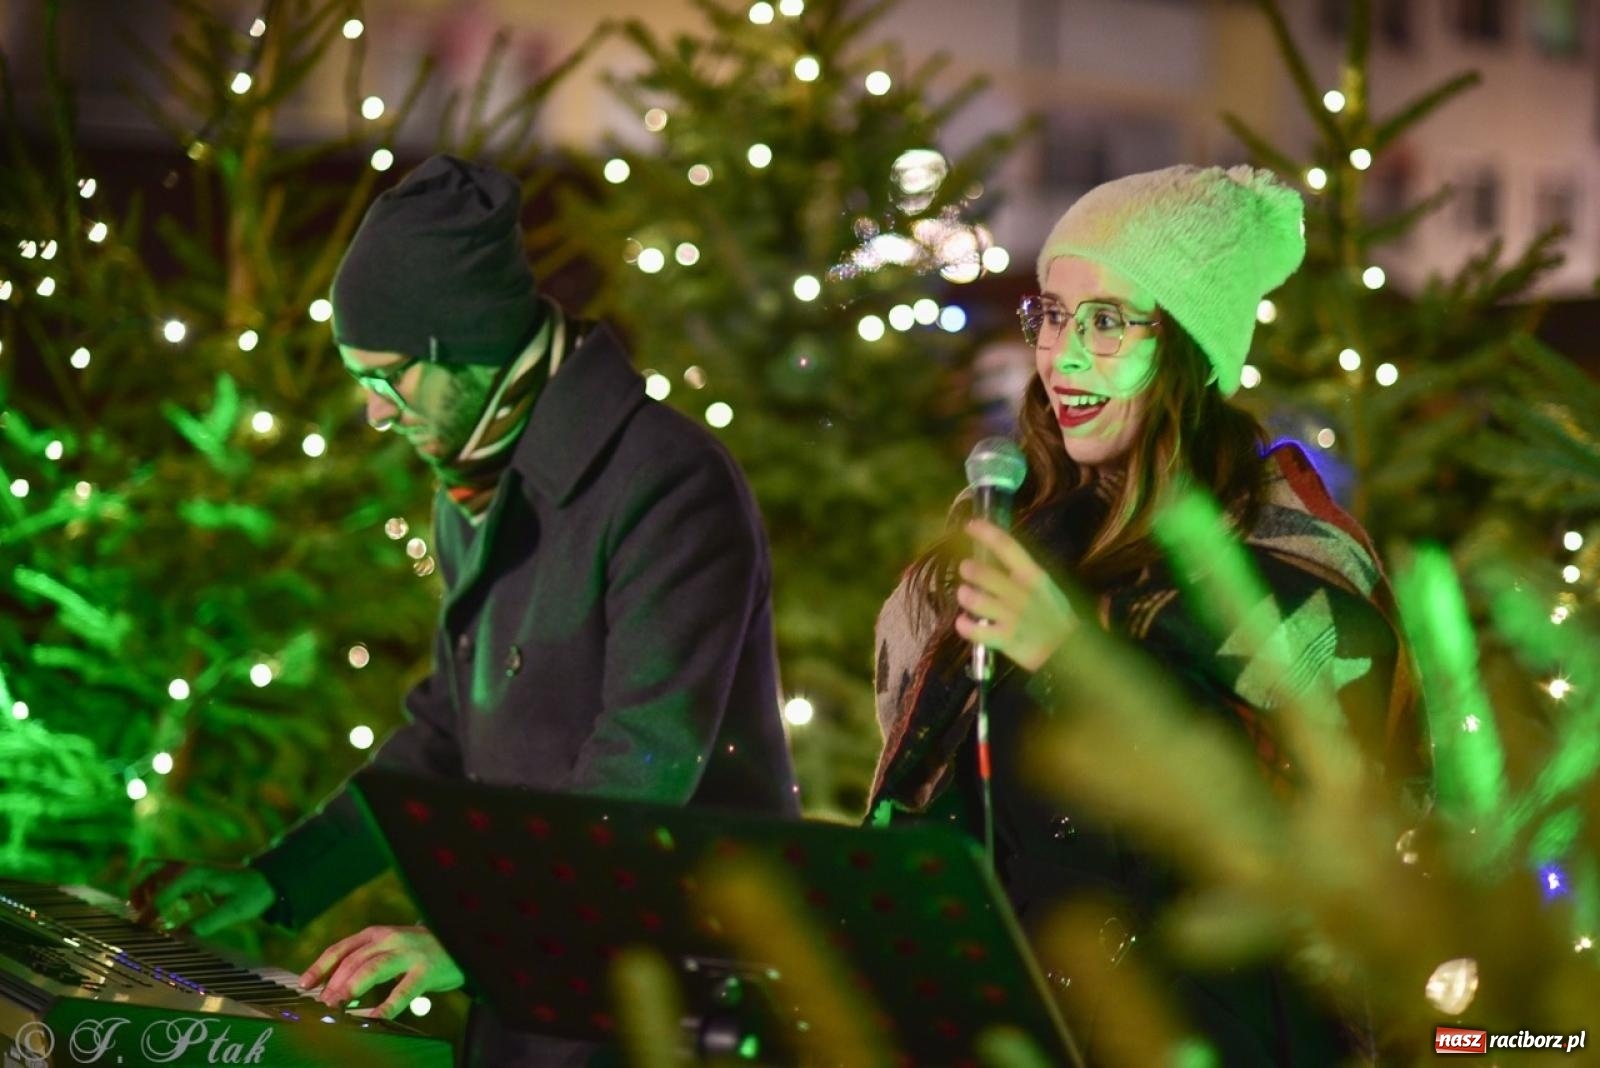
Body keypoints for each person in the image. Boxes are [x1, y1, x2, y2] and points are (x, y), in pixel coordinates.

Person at [133, 154, 799, 1065]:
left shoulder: (667, 484)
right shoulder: (476, 487)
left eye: (388, 379)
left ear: (466, 347)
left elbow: (642, 763)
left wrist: (481, 942)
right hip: (533, 988)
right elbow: (442, 738)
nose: (373, 416)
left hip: (666, 1004)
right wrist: (275, 880)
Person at [867, 165, 1421, 1063]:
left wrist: (1081, 663)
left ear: (1191, 348)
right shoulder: (1023, 547)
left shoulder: (1297, 585)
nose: (1064, 355)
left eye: (1108, 322)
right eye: (1051, 313)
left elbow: (1306, 851)